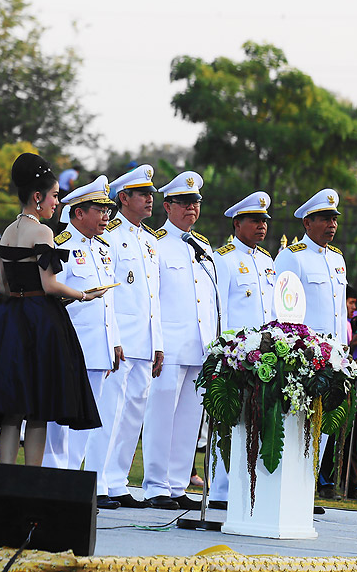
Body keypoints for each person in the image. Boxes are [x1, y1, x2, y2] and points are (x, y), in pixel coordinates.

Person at [0, 153, 102, 466]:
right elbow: (50, 285)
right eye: (54, 196)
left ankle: (6, 476)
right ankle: (31, 480)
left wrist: (23, 292)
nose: (57, 203)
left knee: (11, 408)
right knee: (38, 408)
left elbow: (1, 284)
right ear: (38, 197)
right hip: (40, 322)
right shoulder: (43, 232)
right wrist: (83, 294)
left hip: (9, 319)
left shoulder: (9, 231)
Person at [84, 165, 163, 510]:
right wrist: (113, 339)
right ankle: (96, 481)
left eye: (150, 194)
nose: (149, 199)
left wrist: (158, 342)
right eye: (143, 194)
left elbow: (153, 298)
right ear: (124, 198)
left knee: (132, 415)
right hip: (120, 342)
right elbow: (108, 296)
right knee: (109, 412)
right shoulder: (110, 236)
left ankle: (117, 481)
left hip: (144, 342)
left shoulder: (150, 240)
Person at [143, 171, 218, 511]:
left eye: (195, 202)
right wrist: (156, 343)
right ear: (168, 206)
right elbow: (153, 299)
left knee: (189, 420)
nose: (191, 208)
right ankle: (156, 485)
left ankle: (176, 484)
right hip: (169, 346)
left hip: (199, 347)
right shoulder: (156, 243)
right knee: (161, 417)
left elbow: (210, 302)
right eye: (184, 202)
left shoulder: (203, 247)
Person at [41, 176, 122, 472]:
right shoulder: (60, 245)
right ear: (79, 213)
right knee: (58, 422)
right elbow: (51, 298)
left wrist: (114, 341)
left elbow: (108, 302)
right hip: (69, 346)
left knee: (84, 423)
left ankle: (71, 482)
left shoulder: (103, 248)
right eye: (100, 210)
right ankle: (53, 478)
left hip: (98, 348)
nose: (106, 217)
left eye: (108, 210)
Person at [274, 188, 349, 498]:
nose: (332, 225)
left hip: (333, 358)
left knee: (322, 427)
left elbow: (340, 310)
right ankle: (286, 492)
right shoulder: (292, 256)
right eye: (325, 218)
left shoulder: (337, 259)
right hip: (304, 357)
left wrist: (343, 352)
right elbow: (282, 309)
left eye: (334, 219)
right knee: (296, 427)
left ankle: (305, 493)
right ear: (307, 222)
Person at [208, 190, 276, 509]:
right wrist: (221, 351)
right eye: (254, 220)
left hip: (264, 355)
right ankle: (221, 490)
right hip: (234, 356)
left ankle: (247, 488)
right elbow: (217, 309)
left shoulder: (267, 261)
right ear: (237, 224)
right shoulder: (223, 259)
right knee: (228, 423)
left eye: (264, 220)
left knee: (256, 424)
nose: (261, 226)